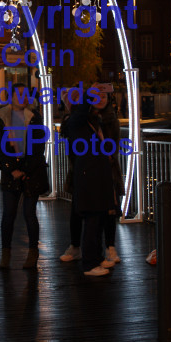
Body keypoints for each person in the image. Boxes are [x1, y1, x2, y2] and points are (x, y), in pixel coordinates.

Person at [61, 84, 124, 277]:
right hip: (89, 175)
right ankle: (89, 262)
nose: (99, 101)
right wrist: (90, 95)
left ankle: (95, 258)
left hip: (98, 174)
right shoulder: (77, 121)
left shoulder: (94, 121)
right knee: (92, 218)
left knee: (98, 217)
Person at [0, 87, 48, 269]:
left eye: (26, 95)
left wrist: (24, 170)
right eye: (19, 94)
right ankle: (5, 253)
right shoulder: (1, 117)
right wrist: (12, 169)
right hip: (11, 173)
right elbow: (0, 147)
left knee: (29, 214)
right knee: (8, 214)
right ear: (11, 97)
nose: (24, 98)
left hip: (32, 173)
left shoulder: (34, 117)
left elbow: (39, 148)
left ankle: (33, 252)